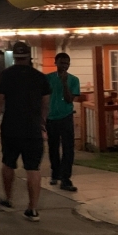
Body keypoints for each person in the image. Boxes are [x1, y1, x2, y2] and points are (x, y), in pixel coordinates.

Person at [0, 41, 51, 221]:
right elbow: (45, 103)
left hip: (11, 127)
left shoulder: (6, 75)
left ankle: (8, 200)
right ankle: (32, 209)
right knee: (33, 168)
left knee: (8, 163)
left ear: (14, 56)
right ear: (29, 56)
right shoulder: (40, 77)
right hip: (33, 129)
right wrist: (42, 122)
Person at [45, 52, 79, 192]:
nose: (64, 66)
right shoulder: (48, 79)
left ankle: (66, 178)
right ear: (56, 63)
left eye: (66, 63)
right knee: (53, 147)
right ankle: (55, 173)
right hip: (51, 117)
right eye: (61, 63)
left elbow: (70, 99)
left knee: (68, 148)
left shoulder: (73, 80)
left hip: (66, 116)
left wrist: (65, 83)